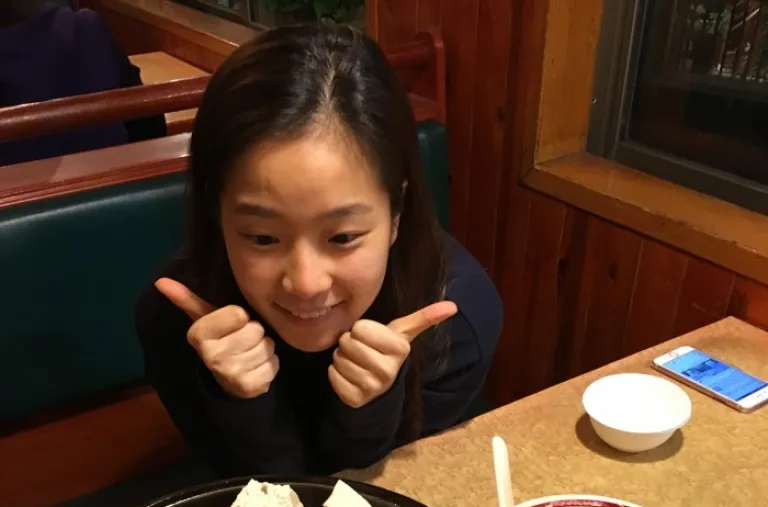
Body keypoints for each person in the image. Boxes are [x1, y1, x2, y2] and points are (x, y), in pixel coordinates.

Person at [135, 22, 502, 477]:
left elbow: (392, 491)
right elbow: (250, 494)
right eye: (263, 237)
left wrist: (369, 409)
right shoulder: (174, 321)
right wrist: (239, 401)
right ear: (216, 213)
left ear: (396, 213)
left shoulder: (456, 326)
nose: (306, 284)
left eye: (343, 237)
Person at [0, 0, 165, 166]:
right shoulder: (86, 26)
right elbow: (150, 125)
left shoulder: (84, 28)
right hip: (119, 176)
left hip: (102, 176)